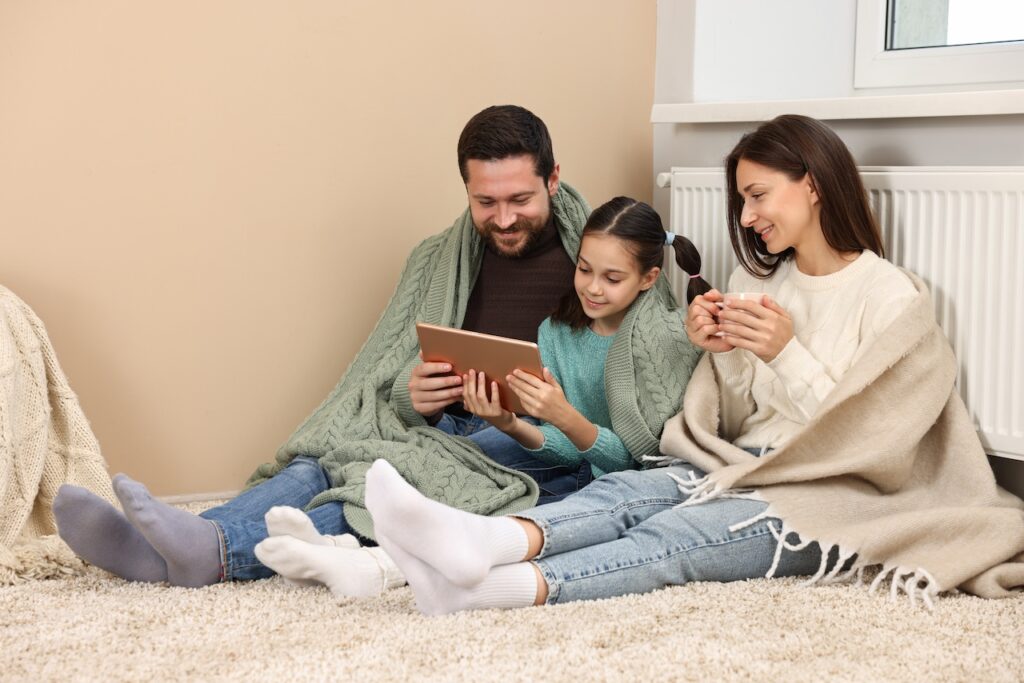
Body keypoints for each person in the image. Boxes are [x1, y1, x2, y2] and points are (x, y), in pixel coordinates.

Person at [361, 114, 1024, 615]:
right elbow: (734, 417)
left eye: (759, 195)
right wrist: (725, 351)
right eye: (742, 199)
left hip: (831, 493)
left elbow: (879, 444)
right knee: (630, 492)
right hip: (744, 460)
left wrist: (783, 350)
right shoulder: (765, 282)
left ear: (814, 187)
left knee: (681, 534)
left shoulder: (892, 297)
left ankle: (491, 586)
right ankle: (488, 541)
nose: (748, 215)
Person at [51, 105, 701, 587]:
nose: (503, 217)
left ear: (553, 179)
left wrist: (527, 413)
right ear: (467, 191)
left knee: (379, 474)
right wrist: (413, 395)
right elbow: (387, 376)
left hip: (529, 438)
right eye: (486, 201)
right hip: (452, 417)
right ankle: (175, 542)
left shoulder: (597, 259)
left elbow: (633, 397)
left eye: (520, 199)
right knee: (330, 456)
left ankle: (212, 549)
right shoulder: (437, 260)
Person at [252, 197, 712, 598]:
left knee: (494, 509)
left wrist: (566, 416)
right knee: (443, 461)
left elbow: (637, 466)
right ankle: (337, 544)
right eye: (584, 269)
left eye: (612, 278)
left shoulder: (664, 339)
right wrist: (509, 422)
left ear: (649, 278)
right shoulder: (556, 332)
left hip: (602, 484)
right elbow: (562, 446)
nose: (592, 287)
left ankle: (370, 564)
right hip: (565, 463)